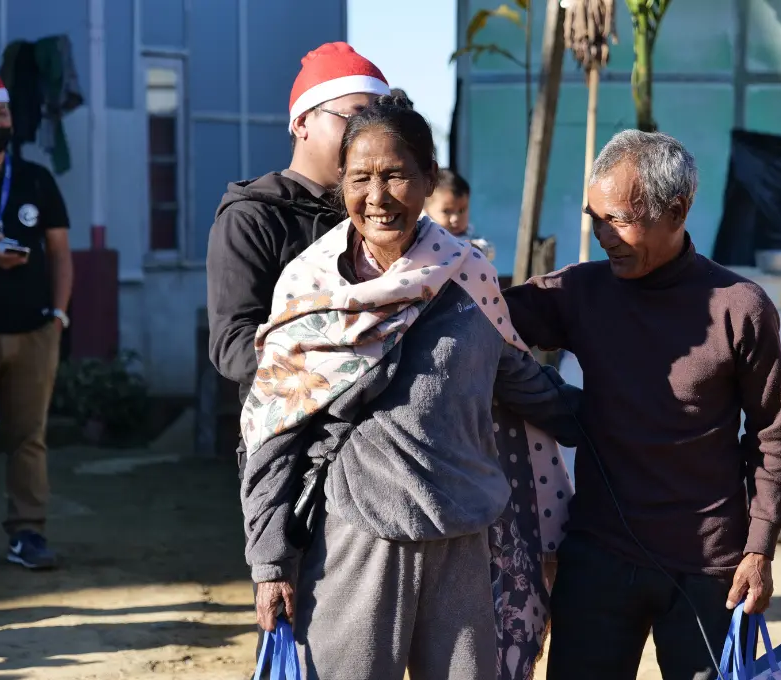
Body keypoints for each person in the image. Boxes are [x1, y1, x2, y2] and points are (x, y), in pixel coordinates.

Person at [241, 96, 581, 680]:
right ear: (341, 184)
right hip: (356, 541)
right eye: (360, 178)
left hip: (462, 544)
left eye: (396, 175)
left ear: (427, 179)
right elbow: (273, 434)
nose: (377, 197)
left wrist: (631, 419)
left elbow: (522, 381)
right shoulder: (311, 287)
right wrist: (270, 562)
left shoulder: (467, 277)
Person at [504, 129, 781, 680]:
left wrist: (759, 549)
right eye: (595, 218)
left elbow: (770, 436)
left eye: (618, 220)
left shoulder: (740, 308)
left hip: (710, 568)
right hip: (597, 557)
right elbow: (484, 322)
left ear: (678, 210)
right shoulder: (578, 292)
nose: (602, 237)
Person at [205, 42, 390, 673]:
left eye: (380, 119)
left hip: (389, 459)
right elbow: (234, 347)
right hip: (296, 461)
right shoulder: (254, 217)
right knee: (304, 632)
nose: (369, 137)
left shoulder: (381, 213)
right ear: (302, 122)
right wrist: (344, 374)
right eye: (354, 117)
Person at [0, 70, 73, 570]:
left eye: (0, 114)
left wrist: (59, 316)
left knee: (28, 436)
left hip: (33, 331)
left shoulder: (35, 179)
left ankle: (28, 533)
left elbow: (62, 253)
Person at [424, 168, 495, 261]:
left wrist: (476, 249)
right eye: (446, 211)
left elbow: (489, 250)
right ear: (426, 210)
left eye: (462, 210)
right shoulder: (425, 237)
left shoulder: (471, 239)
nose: (455, 218)